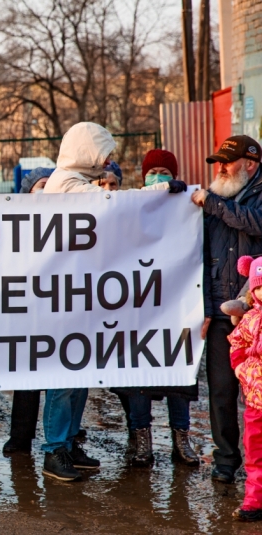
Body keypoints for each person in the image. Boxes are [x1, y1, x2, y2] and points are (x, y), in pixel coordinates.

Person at [41, 122, 187, 482]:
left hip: (79, 296)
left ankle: (70, 442)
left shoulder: (75, 181)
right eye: (103, 149)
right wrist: (163, 190)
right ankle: (54, 450)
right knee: (62, 379)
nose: (109, 158)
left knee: (77, 378)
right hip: (64, 300)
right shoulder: (66, 185)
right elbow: (113, 207)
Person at [114, 149, 199, 468]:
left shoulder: (190, 208)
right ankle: (141, 438)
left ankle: (182, 439)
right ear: (143, 177)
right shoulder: (131, 206)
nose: (159, 177)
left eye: (165, 171)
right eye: (153, 172)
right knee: (138, 377)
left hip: (177, 309)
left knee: (179, 376)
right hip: (136, 311)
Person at [192, 135, 262, 484]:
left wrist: (215, 204)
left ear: (250, 163)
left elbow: (255, 223)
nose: (220, 167)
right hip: (221, 314)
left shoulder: (229, 200)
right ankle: (225, 462)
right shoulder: (214, 197)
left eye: (228, 161)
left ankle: (257, 467)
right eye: (218, 161)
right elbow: (200, 260)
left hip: (258, 316)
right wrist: (206, 308)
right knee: (221, 392)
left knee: (258, 397)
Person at [2, 166, 56, 455]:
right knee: (28, 378)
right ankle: (20, 437)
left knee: (61, 379)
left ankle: (62, 438)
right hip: (27, 311)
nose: (46, 190)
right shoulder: (15, 223)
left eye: (51, 183)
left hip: (59, 310)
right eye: (41, 184)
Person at [229, 255, 262, 522]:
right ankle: (254, 500)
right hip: (255, 401)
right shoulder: (250, 319)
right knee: (254, 451)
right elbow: (237, 344)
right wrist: (240, 368)